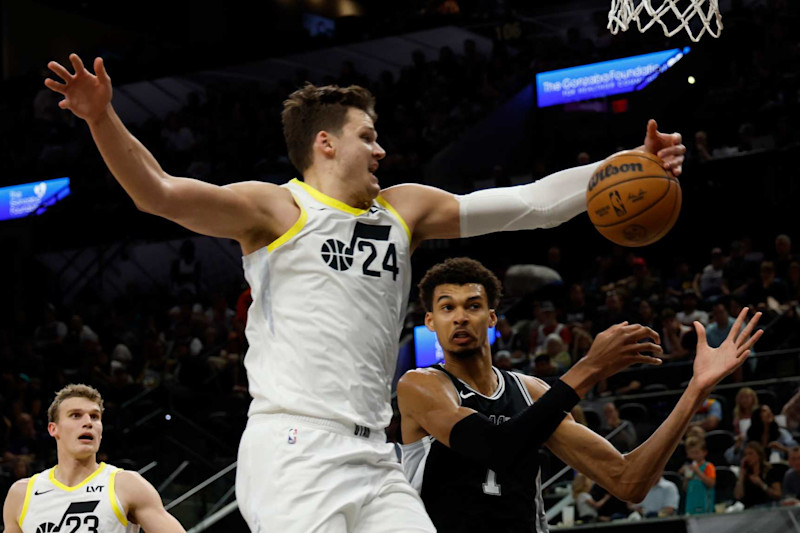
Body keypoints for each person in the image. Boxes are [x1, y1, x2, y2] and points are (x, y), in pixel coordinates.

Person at [43, 53, 687, 531]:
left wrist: (625, 163)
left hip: (372, 453)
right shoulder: (276, 210)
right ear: (324, 143)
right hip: (293, 446)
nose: (381, 148)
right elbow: (156, 192)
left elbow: (528, 205)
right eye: (368, 136)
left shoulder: (403, 211)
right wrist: (102, 118)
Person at [398, 258, 762, 532]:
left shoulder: (532, 391)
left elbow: (627, 480)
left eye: (472, 306)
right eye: (447, 307)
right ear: (431, 322)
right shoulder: (420, 385)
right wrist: (590, 367)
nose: (460, 317)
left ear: (492, 318)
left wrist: (697, 388)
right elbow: (496, 447)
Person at [2, 384, 186, 533]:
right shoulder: (22, 493)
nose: (88, 422)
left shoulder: (126, 485)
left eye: (95, 417)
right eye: (76, 415)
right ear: (53, 429)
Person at [734, 441, 782, 507]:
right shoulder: (745, 472)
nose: (747, 457)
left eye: (750, 454)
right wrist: (741, 475)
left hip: (767, 506)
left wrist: (761, 484)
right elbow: (738, 496)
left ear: (759, 455)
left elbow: (778, 494)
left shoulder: (770, 470)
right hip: (749, 508)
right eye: (746, 455)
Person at [680, 436, 716, 515]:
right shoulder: (689, 468)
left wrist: (697, 471)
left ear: (704, 452)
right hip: (691, 506)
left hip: (704, 506)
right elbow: (685, 489)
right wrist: (686, 478)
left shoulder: (708, 466)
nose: (694, 456)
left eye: (696, 452)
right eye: (691, 453)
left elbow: (711, 484)